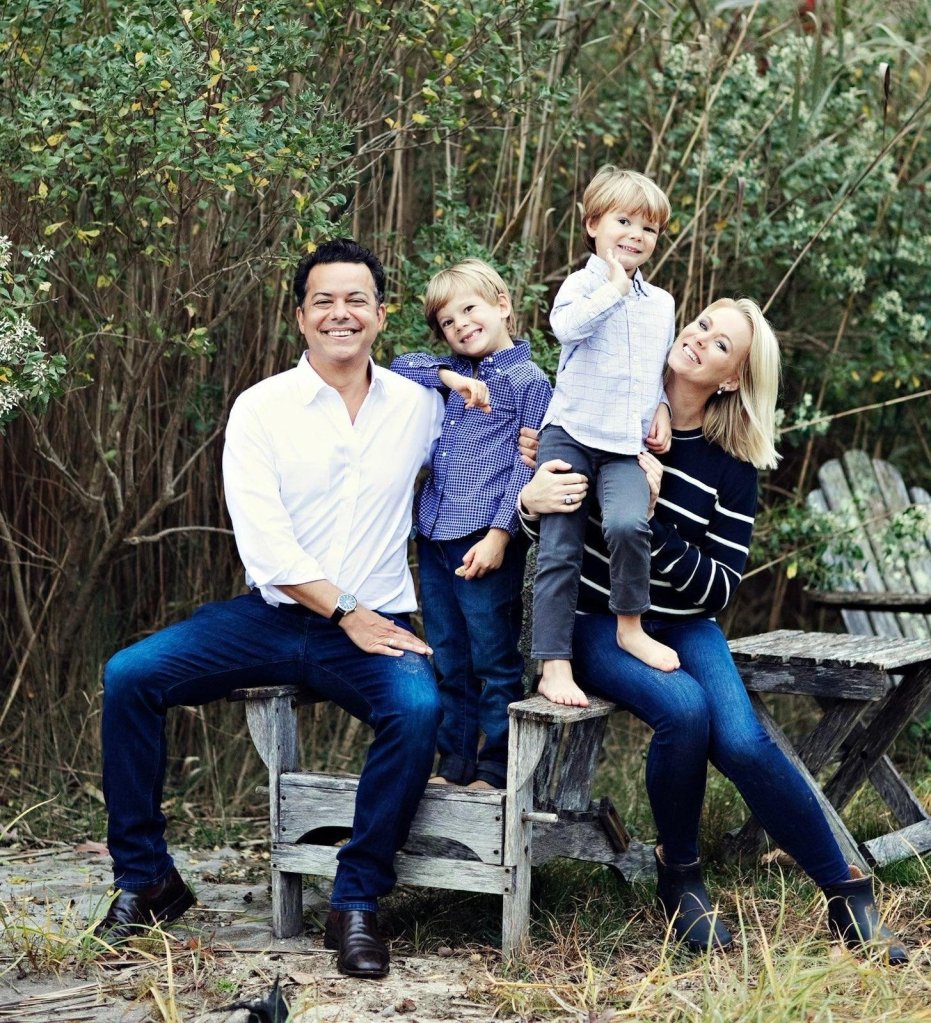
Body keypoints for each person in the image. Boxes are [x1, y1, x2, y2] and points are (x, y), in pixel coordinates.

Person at [92, 238, 446, 979]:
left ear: (381, 315)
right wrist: (342, 607)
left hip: (376, 621)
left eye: (356, 300)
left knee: (416, 711)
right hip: (274, 617)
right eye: (323, 300)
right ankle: (146, 878)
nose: (339, 313)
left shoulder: (422, 408)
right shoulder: (261, 408)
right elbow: (267, 547)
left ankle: (355, 901)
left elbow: (490, 458)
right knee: (130, 674)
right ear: (300, 316)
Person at [518, 297, 907, 964]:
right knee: (683, 710)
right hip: (589, 620)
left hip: (685, 621)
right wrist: (527, 503)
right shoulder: (605, 409)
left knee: (744, 740)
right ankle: (681, 874)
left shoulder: (729, 461)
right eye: (699, 324)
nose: (698, 339)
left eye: (720, 344)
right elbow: (552, 525)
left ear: (731, 378)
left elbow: (716, 588)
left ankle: (844, 891)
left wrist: (653, 510)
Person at [390, 259, 552, 789]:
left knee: (492, 658)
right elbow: (397, 364)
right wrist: (449, 375)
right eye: (446, 321)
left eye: (469, 309)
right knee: (448, 654)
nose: (459, 325)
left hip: (483, 538)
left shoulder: (529, 382)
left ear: (502, 305)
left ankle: (495, 765)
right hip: (434, 537)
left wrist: (502, 535)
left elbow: (525, 469)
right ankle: (453, 762)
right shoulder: (451, 376)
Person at [533, 166, 677, 712]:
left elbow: (649, 370)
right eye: (624, 221)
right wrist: (614, 289)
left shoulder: (660, 303)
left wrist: (660, 404)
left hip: (623, 444)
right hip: (570, 433)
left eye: (649, 228)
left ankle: (630, 625)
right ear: (593, 224)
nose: (636, 235)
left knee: (626, 522)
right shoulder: (582, 285)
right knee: (561, 546)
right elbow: (565, 330)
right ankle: (554, 663)